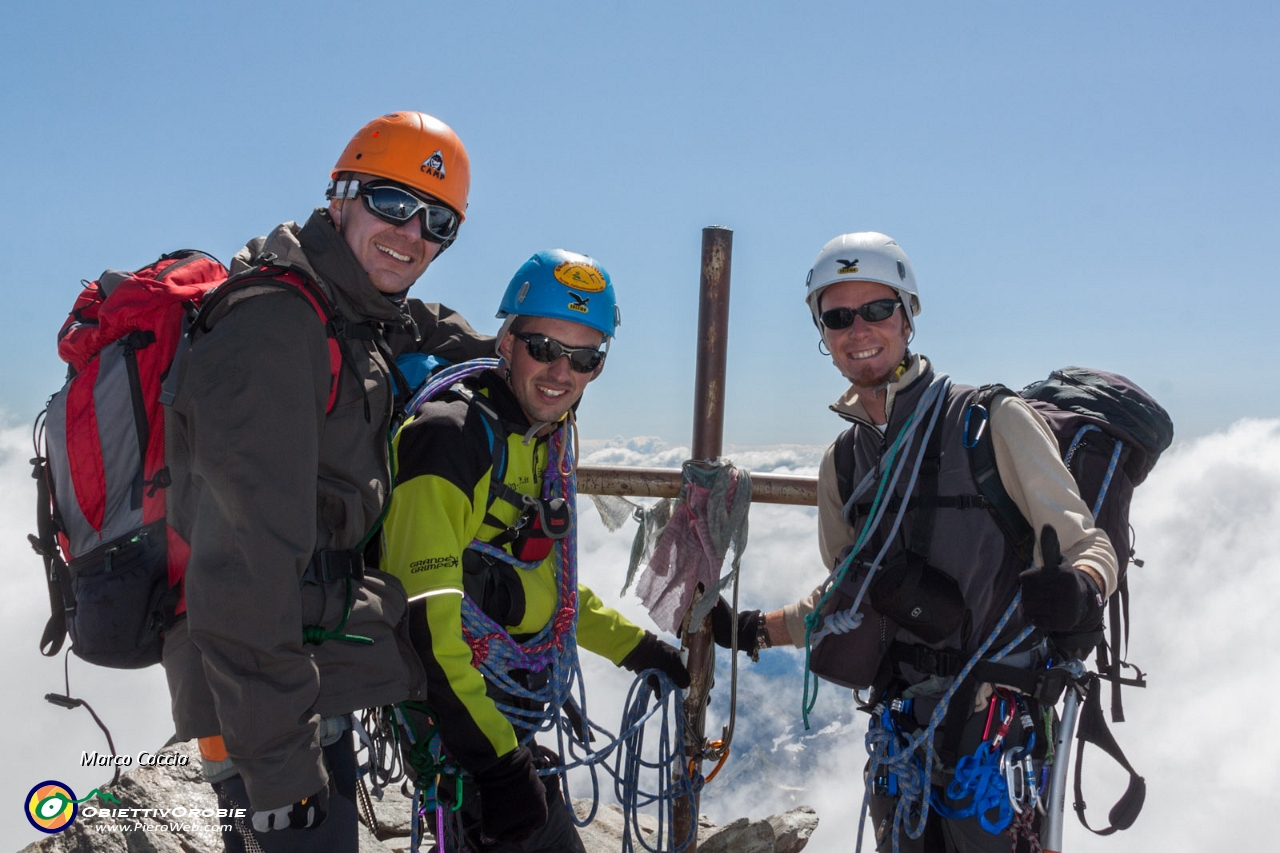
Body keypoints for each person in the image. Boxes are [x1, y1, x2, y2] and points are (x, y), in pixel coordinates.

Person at [713, 232, 1117, 852]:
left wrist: (1080, 588)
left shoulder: (991, 423)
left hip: (996, 723)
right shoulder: (844, 462)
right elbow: (849, 596)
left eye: (877, 309)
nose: (859, 329)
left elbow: (1088, 544)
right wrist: (755, 630)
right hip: (901, 726)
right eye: (838, 317)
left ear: (908, 315)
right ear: (822, 332)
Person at [161, 111, 494, 851]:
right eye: (392, 202)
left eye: (437, 221)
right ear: (340, 195)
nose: (412, 234)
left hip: (309, 665)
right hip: (261, 703)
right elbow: (243, 576)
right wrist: (282, 776)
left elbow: (420, 325)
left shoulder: (351, 307)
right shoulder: (275, 329)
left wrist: (528, 361)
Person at [381, 249, 690, 852]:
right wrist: (499, 768)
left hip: (496, 715)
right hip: (454, 722)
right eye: (544, 347)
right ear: (507, 340)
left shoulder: (542, 438)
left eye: (584, 358)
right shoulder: (450, 442)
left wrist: (634, 647)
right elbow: (424, 623)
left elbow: (548, 582)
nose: (561, 371)